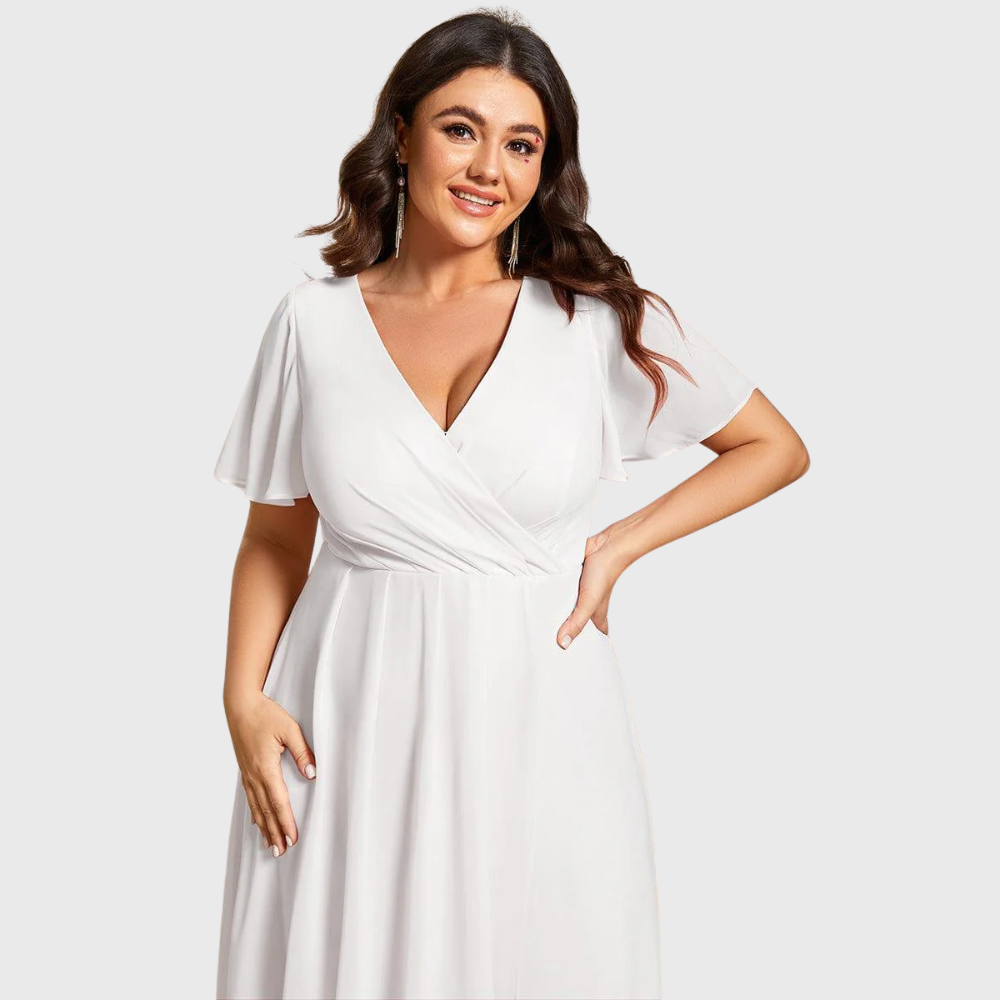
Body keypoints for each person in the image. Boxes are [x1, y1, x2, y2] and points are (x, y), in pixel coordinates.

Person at [213, 10, 808, 999]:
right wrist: (242, 697)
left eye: (521, 144)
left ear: (544, 167)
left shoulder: (592, 321)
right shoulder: (310, 324)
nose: (489, 167)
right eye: (461, 129)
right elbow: (277, 534)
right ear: (401, 135)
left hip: (542, 715)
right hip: (343, 715)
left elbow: (772, 447)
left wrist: (620, 543)